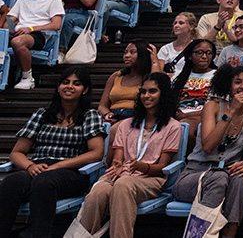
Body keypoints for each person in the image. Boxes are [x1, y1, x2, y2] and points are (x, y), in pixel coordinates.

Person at [0, 67, 105, 238]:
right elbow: (17, 152)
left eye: (76, 84)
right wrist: (29, 166)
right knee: (13, 181)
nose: (69, 86)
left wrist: (59, 165)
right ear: (58, 87)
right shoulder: (42, 114)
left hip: (71, 171)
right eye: (65, 82)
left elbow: (96, 153)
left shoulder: (89, 115)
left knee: (44, 182)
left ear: (84, 90)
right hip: (38, 167)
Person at [77, 72, 182, 238]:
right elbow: (118, 159)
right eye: (143, 91)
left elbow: (162, 168)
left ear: (164, 94)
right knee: (98, 192)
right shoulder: (125, 125)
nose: (146, 96)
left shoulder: (173, 126)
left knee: (124, 185)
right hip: (122, 175)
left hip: (150, 178)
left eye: (152, 91)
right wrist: (117, 166)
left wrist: (141, 166)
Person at [171, 64, 243, 238]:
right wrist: (230, 112)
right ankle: (198, 235)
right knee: (219, 176)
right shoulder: (212, 106)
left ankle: (230, 234)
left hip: (227, 174)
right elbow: (208, 147)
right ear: (228, 85)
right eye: (237, 82)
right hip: (194, 175)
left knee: (240, 178)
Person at [2, 0, 64, 90]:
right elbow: (10, 19)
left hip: (40, 34)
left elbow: (56, 25)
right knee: (9, 38)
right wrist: (8, 29)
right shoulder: (23, 0)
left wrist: (31, 28)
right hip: (19, 32)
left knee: (17, 41)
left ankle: (27, 77)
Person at [172, 39, 219, 134]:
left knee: (184, 129)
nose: (204, 56)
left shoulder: (218, 76)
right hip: (178, 116)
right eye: (199, 52)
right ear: (190, 56)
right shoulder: (180, 76)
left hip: (204, 117)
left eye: (209, 53)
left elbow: (219, 105)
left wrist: (188, 115)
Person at [98, 41, 153, 123]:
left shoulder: (149, 77)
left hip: (137, 117)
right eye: (125, 52)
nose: (127, 56)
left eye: (132, 52)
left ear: (143, 54)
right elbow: (102, 106)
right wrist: (107, 114)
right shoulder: (116, 76)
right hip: (114, 116)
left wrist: (154, 59)